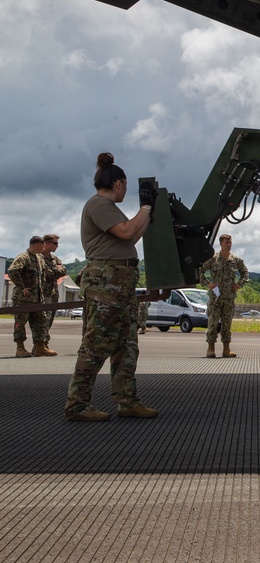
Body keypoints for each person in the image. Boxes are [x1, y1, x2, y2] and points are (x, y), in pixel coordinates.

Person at [64, 153, 158, 421]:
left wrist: (147, 215)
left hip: (120, 281)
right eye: (125, 186)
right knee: (97, 343)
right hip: (107, 282)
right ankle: (77, 404)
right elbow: (127, 232)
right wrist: (146, 208)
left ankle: (127, 400)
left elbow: (132, 237)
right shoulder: (99, 205)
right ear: (119, 183)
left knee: (126, 344)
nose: (125, 191)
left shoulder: (110, 209)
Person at [199, 234, 249, 358]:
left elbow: (245, 272)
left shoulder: (235, 260)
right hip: (216, 298)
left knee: (227, 324)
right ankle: (211, 349)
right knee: (213, 323)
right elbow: (200, 271)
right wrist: (208, 284)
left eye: (230, 242)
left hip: (229, 298)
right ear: (221, 243)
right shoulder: (213, 259)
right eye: (227, 242)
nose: (229, 244)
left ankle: (226, 349)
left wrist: (239, 284)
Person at [9, 236, 52, 358]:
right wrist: (21, 286)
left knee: (40, 322)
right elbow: (13, 271)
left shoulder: (39, 258)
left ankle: (39, 347)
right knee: (20, 323)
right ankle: (20, 348)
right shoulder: (23, 257)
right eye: (42, 245)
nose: (43, 248)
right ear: (37, 245)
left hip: (38, 299)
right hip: (23, 299)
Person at [40, 233, 67, 354]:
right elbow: (44, 272)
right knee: (42, 320)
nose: (57, 246)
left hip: (53, 293)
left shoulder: (55, 259)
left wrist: (52, 270)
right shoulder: (37, 257)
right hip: (41, 294)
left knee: (49, 320)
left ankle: (44, 344)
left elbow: (62, 271)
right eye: (55, 243)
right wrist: (53, 270)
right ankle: (40, 345)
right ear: (46, 243)